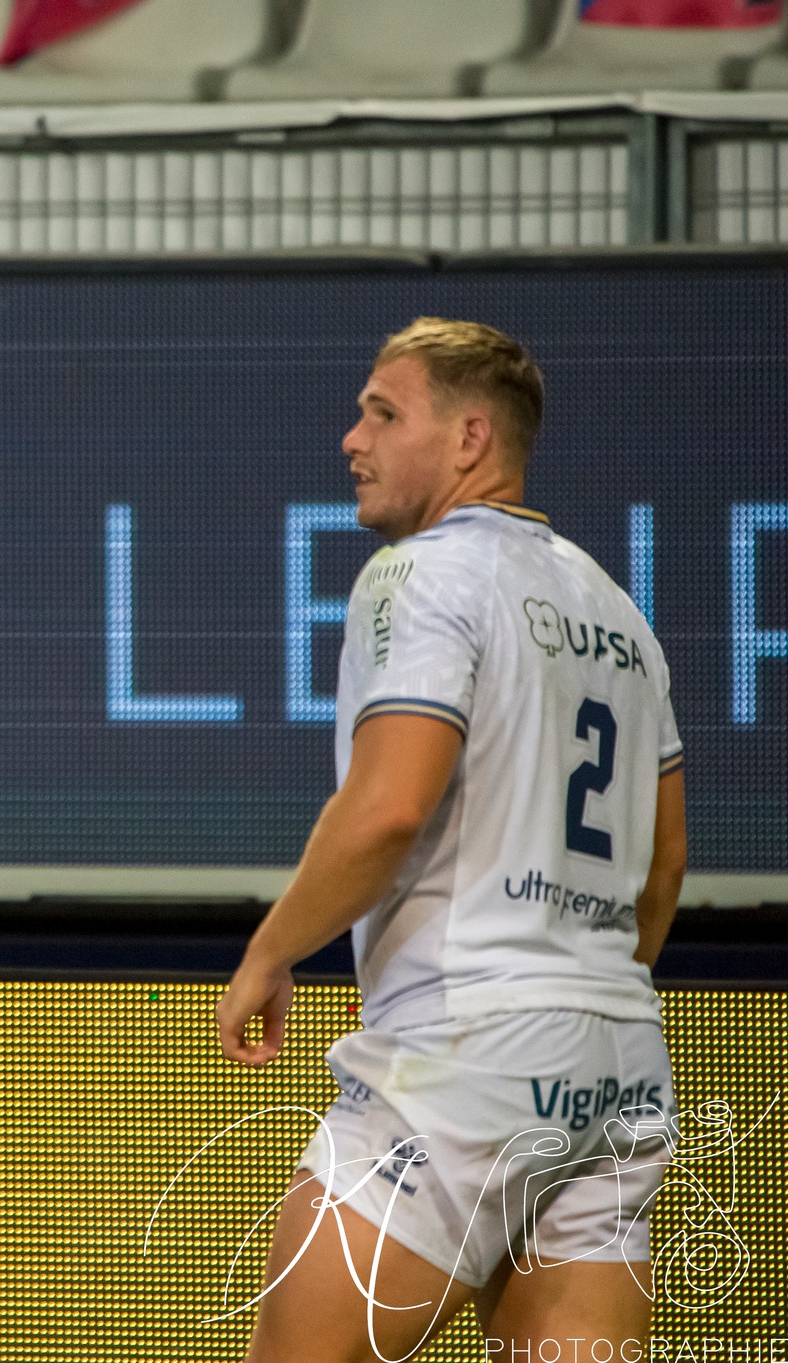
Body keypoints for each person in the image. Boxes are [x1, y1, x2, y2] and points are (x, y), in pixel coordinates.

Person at [216, 318, 687, 1362]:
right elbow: (659, 871)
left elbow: (387, 808)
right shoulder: (621, 612)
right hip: (613, 1068)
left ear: (469, 437)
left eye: (381, 413)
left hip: (465, 1053)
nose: (350, 439)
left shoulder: (420, 574)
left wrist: (268, 949)